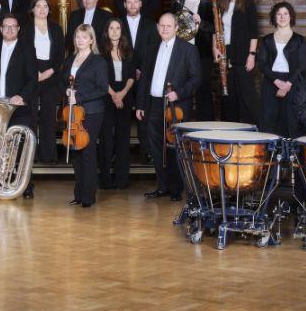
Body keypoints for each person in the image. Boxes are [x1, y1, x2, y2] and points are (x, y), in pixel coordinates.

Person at [136, 12, 201, 201]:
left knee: (175, 147)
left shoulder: (187, 50)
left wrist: (178, 93)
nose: (164, 29)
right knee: (156, 148)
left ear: (176, 28)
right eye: (161, 26)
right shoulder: (151, 48)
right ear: (158, 28)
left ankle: (176, 188)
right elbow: (145, 79)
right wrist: (140, 104)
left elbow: (196, 79)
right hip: (153, 104)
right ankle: (162, 186)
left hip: (175, 107)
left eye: (168, 26)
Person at [0, 14, 38, 199]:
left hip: (18, 105)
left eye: (13, 26)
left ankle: (24, 186)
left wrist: (21, 96)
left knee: (20, 147)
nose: (10, 29)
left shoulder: (27, 49)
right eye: (6, 26)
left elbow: (32, 78)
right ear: (0, 29)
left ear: (19, 29)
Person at [60, 24, 110, 207]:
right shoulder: (69, 60)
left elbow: (102, 88)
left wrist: (78, 96)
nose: (80, 40)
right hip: (72, 113)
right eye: (77, 37)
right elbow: (61, 82)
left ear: (91, 39)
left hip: (91, 112)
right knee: (76, 154)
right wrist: (66, 92)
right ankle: (79, 194)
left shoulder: (99, 61)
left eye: (84, 37)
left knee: (87, 152)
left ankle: (88, 196)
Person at [23, 0, 65, 164]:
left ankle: (48, 155)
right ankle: (31, 155)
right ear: (32, 9)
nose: (42, 9)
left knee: (48, 116)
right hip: (31, 74)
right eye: (38, 6)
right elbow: (23, 53)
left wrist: (50, 71)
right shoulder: (25, 29)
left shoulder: (56, 29)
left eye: (45, 6)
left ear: (49, 9)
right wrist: (35, 73)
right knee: (31, 116)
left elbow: (61, 53)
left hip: (51, 74)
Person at [257, 1, 306, 138]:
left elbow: (302, 65)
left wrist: (287, 84)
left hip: (292, 82)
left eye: (286, 14)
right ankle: (269, 155)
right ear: (274, 17)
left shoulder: (300, 40)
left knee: (290, 120)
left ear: (291, 17)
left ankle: (290, 155)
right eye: (279, 14)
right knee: (269, 119)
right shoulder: (267, 40)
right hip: (271, 82)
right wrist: (277, 81)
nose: (282, 17)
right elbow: (262, 64)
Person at [97, 18, 136, 190]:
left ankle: (122, 180)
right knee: (106, 140)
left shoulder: (128, 51)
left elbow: (132, 76)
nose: (114, 31)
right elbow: (100, 78)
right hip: (107, 98)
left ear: (122, 31)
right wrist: (114, 95)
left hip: (124, 97)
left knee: (123, 139)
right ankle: (105, 179)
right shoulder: (100, 52)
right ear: (107, 31)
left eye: (117, 28)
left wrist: (122, 94)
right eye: (111, 28)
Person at [217, 0, 260, 124]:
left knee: (247, 96)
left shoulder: (248, 4)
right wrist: (216, 47)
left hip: (243, 55)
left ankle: (253, 132)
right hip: (226, 54)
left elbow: (254, 33)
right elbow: (219, 30)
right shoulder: (223, 4)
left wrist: (252, 55)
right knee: (228, 96)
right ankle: (230, 131)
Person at [172, 0, 216, 121]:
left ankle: (206, 126)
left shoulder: (208, 4)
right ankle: (183, 123)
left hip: (202, 52)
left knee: (203, 89)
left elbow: (215, 29)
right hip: (182, 52)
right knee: (183, 88)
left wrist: (201, 21)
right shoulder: (177, 3)